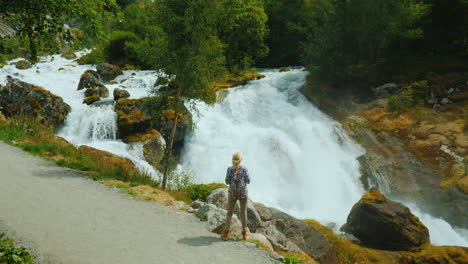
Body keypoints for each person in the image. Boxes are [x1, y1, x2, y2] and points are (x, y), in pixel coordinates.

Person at [221, 152, 250, 240]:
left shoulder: (229, 169)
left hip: (232, 193)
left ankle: (226, 233)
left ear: (232, 160)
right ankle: (244, 234)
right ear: (241, 160)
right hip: (243, 193)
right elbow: (248, 181)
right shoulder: (244, 169)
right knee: (243, 213)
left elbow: (227, 181)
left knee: (229, 213)